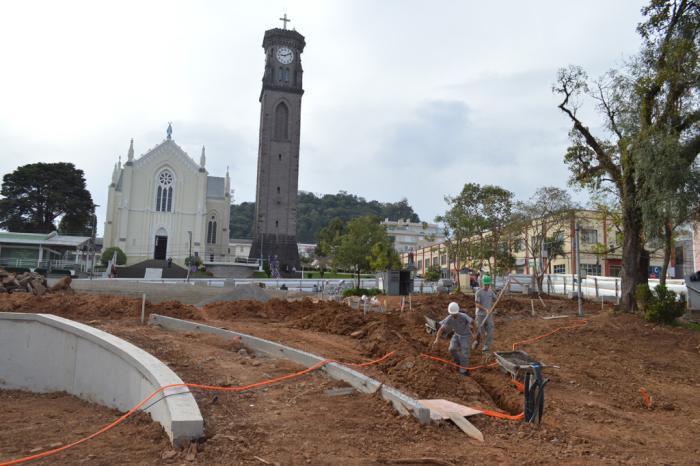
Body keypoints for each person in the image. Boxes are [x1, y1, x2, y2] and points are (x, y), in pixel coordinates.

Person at [432, 302, 476, 376]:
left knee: (464, 353)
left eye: (455, 314)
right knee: (451, 349)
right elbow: (441, 329)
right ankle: (458, 361)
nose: (454, 315)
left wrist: (474, 333)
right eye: (452, 314)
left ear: (458, 311)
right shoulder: (449, 318)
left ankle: (464, 370)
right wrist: (437, 339)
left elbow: (473, 322)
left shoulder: (464, 316)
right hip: (456, 334)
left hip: (465, 335)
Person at [475, 275, 497, 353]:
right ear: (482, 283)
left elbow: (495, 299)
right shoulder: (478, 292)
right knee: (481, 332)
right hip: (480, 315)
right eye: (485, 284)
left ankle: (486, 347)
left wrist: (499, 295)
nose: (487, 286)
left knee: (490, 330)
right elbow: (477, 304)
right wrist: (485, 309)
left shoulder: (491, 291)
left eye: (488, 284)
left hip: (489, 315)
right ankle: (477, 341)